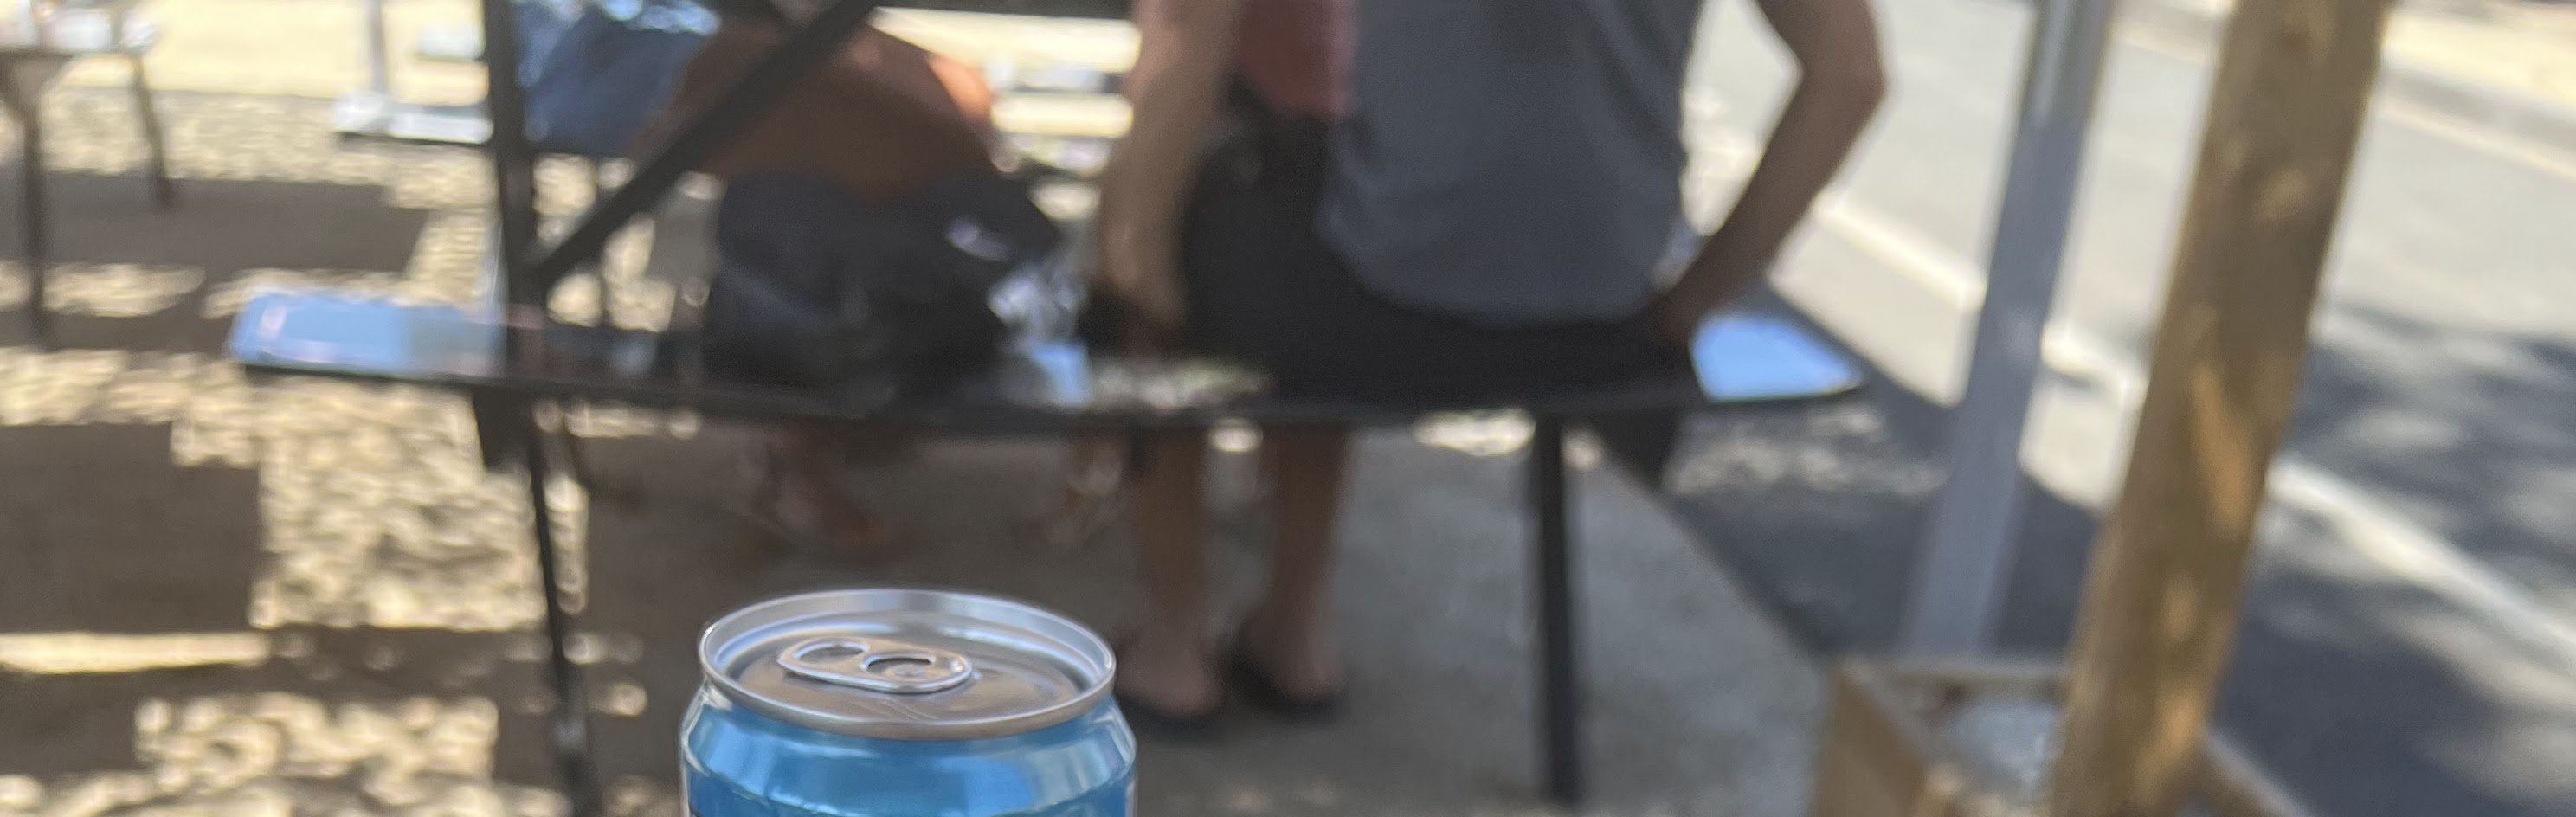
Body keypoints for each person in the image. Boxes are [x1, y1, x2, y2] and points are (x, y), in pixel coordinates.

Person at [1092, 0, 1887, 728]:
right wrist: (1690, 304)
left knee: (1179, 229)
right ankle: (1294, 631)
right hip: (1602, 323)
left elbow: (1191, 28)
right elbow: (1850, 77)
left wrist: (1130, 251)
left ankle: (1177, 644)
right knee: (1312, 203)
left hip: (1378, 306)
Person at [644, 6, 1010, 550]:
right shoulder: (739, 59)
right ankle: (805, 455)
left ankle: (808, 451)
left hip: (855, 290)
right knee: (806, 283)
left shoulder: (924, 74)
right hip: (813, 289)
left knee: (834, 288)